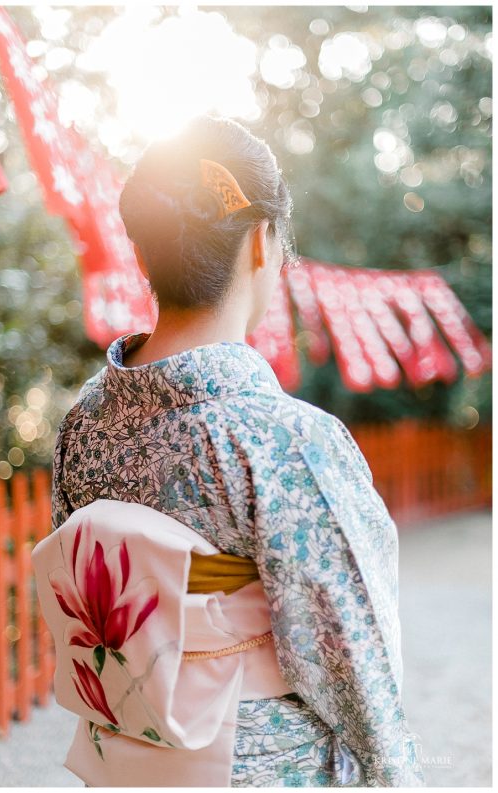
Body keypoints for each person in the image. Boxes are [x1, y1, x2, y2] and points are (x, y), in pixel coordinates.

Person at [51, 114, 425, 787]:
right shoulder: (284, 439)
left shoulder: (83, 424)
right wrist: (395, 773)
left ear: (143, 252)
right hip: (256, 765)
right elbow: (349, 657)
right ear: (261, 242)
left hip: (125, 757)